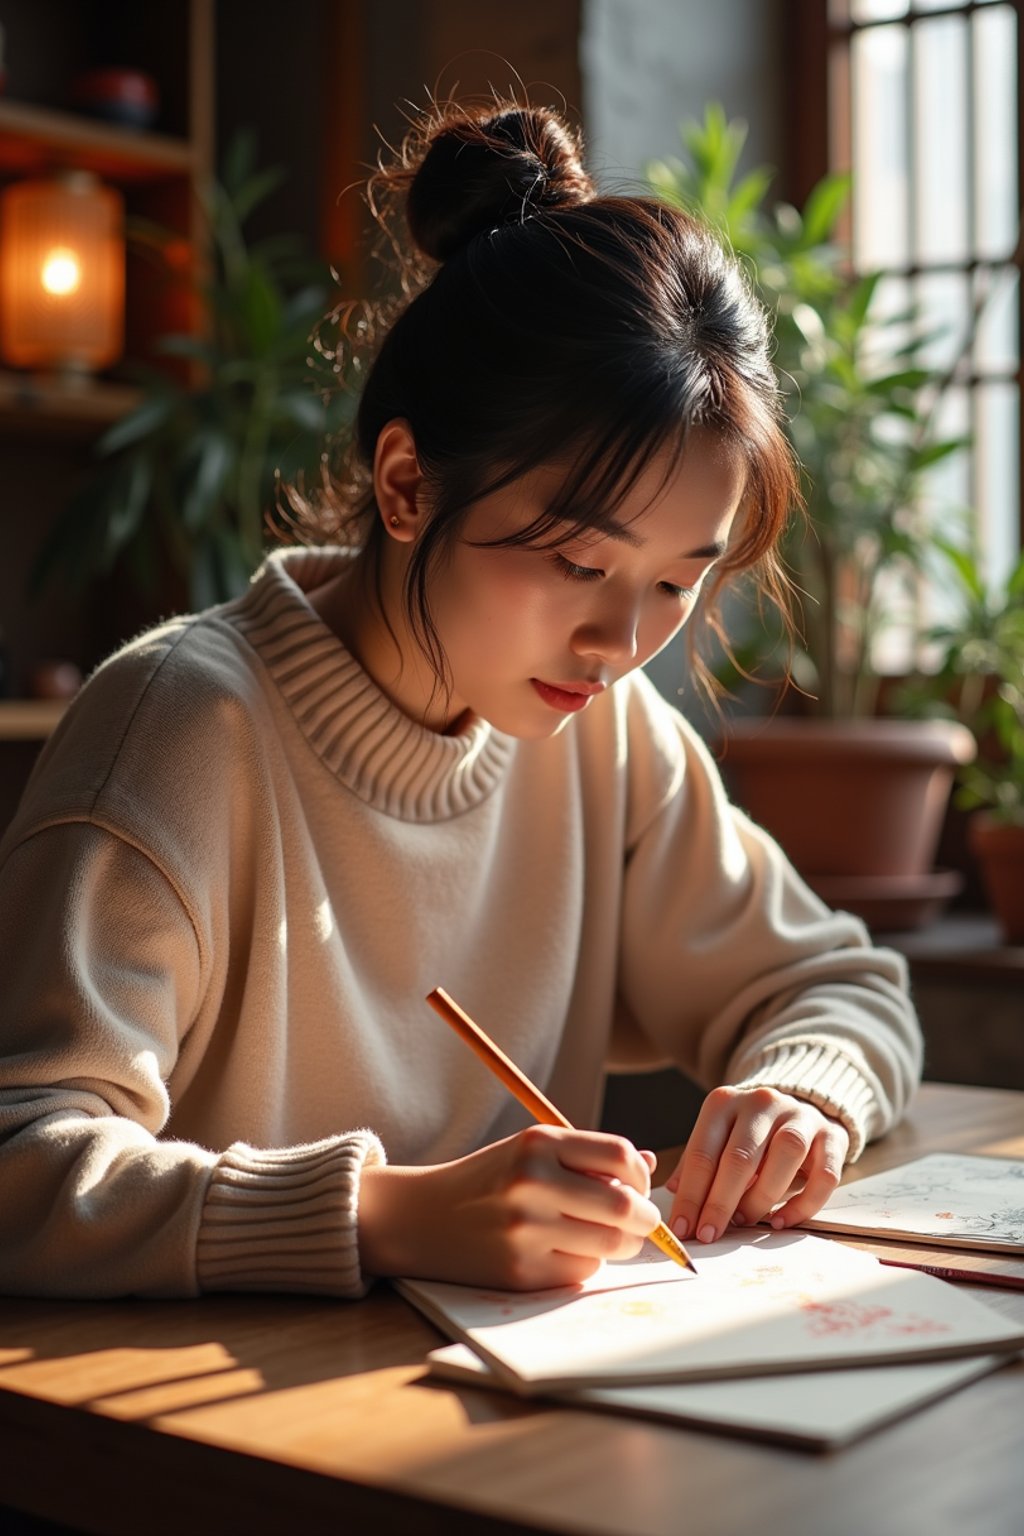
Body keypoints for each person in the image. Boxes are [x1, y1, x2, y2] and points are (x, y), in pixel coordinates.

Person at [0, 100, 921, 1300]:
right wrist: (382, 1216)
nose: (619, 643)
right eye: (577, 564)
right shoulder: (180, 730)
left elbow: (843, 987)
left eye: (675, 583)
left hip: (510, 1412)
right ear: (404, 485)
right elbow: (22, 1162)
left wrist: (798, 1098)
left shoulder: (608, 738)